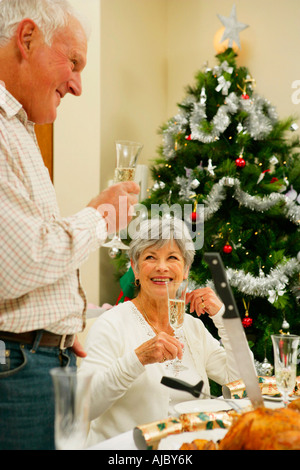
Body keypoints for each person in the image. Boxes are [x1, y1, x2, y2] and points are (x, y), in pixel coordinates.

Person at [0, 0, 139, 450]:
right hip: (19, 369)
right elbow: (20, 262)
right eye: (74, 62)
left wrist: (57, 329)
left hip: (44, 358)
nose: (78, 85)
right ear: (26, 39)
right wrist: (100, 218)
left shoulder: (18, 127)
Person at [78, 217, 241, 446]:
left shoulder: (193, 328)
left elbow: (240, 382)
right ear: (135, 269)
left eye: (172, 257)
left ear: (185, 270)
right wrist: (137, 359)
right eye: (150, 257)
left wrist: (224, 318)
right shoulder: (111, 324)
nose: (161, 267)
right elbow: (83, 407)